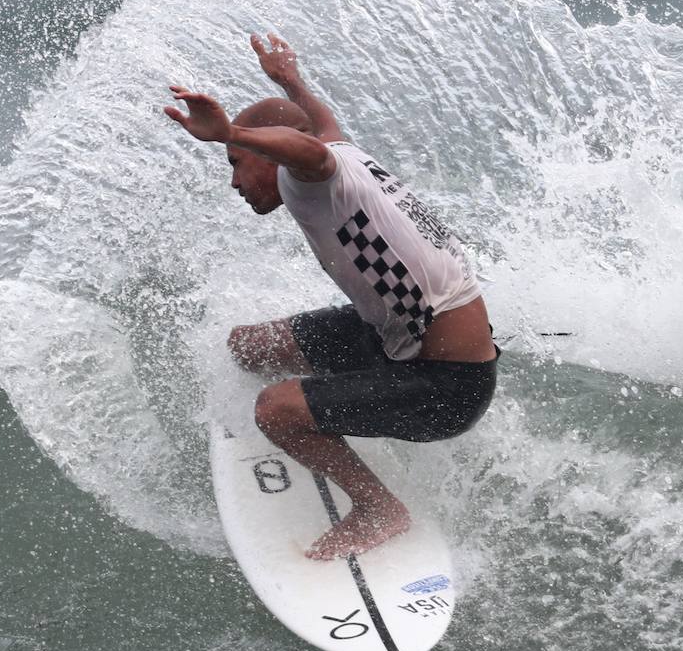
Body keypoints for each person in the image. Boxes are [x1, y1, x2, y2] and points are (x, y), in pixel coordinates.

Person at [164, 33, 498, 560]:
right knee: (248, 346)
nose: (234, 182)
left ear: (265, 150)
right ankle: (324, 419)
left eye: (235, 162)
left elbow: (308, 148)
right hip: (390, 340)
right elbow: (321, 126)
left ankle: (377, 507)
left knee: (274, 409)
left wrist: (230, 130)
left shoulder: (314, 172)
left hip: (447, 387)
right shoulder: (343, 154)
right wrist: (291, 82)